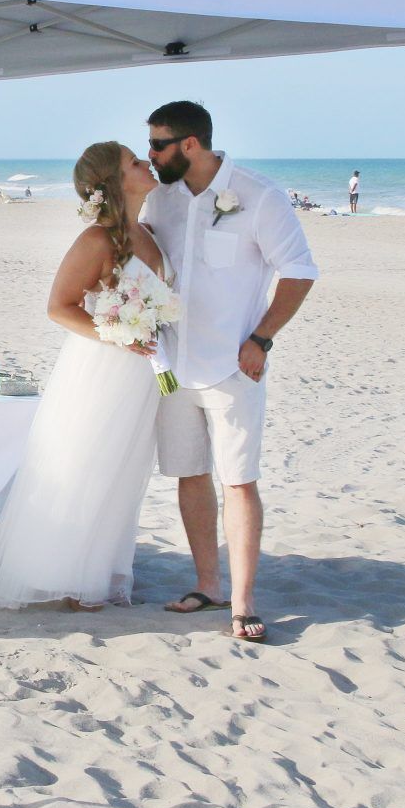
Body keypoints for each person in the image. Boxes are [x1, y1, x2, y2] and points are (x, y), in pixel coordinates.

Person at [144, 101, 318, 643]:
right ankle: (208, 585)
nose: (150, 155)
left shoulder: (259, 196)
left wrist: (262, 338)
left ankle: (242, 603)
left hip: (232, 366)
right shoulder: (158, 199)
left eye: (158, 145)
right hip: (172, 368)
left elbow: (301, 272)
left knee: (238, 480)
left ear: (189, 145)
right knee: (189, 475)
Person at [0, 142, 166, 611]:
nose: (146, 164)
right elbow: (59, 307)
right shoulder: (96, 241)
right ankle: (65, 578)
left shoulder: (151, 233)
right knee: (84, 466)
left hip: (143, 376)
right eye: (135, 163)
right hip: (101, 370)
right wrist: (115, 334)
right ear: (115, 182)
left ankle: (96, 573)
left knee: (121, 473)